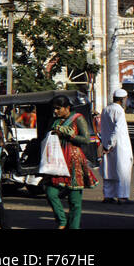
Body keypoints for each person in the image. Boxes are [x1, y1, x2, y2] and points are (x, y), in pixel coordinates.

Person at [44, 95, 97, 229]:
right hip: (57, 161)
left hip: (74, 162)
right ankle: (62, 221)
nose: (55, 111)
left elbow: (86, 139)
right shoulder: (55, 120)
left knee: (75, 201)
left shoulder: (77, 118)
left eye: (58, 108)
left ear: (67, 107)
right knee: (51, 192)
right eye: (54, 109)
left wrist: (70, 135)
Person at [100, 89, 134, 204]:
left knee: (109, 170)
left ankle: (108, 195)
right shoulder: (119, 111)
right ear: (123, 99)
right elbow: (117, 130)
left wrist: (106, 145)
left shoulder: (106, 109)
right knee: (123, 171)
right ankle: (122, 197)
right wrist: (110, 144)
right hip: (119, 145)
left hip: (107, 144)